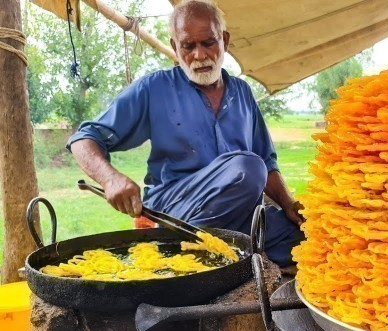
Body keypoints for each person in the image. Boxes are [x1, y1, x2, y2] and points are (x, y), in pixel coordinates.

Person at [66, 0, 304, 266]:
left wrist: (288, 203)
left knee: (308, 240)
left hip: (243, 215)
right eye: (188, 46)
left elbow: (268, 163)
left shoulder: (243, 93)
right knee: (247, 169)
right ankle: (193, 252)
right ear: (174, 47)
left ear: (224, 40)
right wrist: (110, 179)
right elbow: (83, 139)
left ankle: (219, 254)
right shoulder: (154, 88)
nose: (200, 56)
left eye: (208, 43)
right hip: (178, 214)